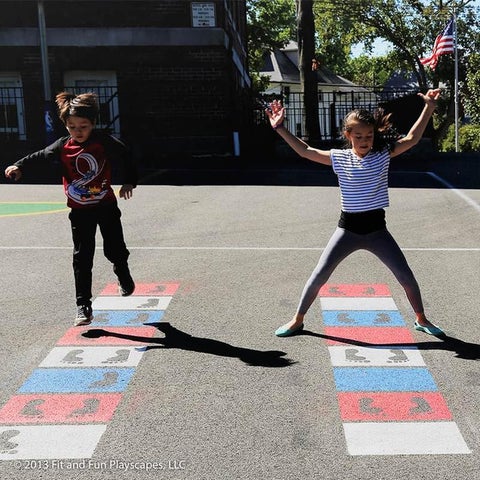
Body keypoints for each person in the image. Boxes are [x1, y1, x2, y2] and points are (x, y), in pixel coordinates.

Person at [266, 89, 445, 338]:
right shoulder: (339, 158)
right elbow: (305, 151)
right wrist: (281, 128)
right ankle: (297, 320)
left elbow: (413, 138)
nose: (365, 140)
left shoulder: (383, 154)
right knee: (319, 274)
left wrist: (429, 107)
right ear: (348, 135)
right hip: (347, 230)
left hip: (377, 231)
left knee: (405, 276)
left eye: (369, 135)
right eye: (359, 135)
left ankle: (422, 319)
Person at [5, 91, 137, 326]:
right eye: (72, 126)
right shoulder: (63, 146)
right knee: (82, 257)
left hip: (105, 205)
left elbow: (127, 154)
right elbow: (40, 155)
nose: (78, 131)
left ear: (93, 124)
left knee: (114, 248)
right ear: (66, 126)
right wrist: (19, 165)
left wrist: (129, 181)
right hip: (80, 211)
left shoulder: (102, 141)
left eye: (83, 126)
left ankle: (122, 272)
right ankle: (83, 305)